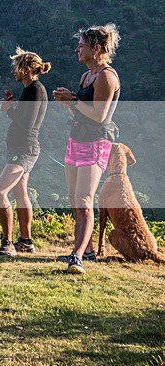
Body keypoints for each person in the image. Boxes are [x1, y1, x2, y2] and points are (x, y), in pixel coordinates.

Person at [53, 24, 121, 274]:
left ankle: (77, 256)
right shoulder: (86, 76)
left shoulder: (106, 76)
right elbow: (81, 109)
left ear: (97, 48)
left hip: (96, 143)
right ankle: (89, 251)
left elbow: (100, 116)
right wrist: (69, 101)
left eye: (81, 45)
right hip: (76, 139)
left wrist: (73, 101)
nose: (76, 50)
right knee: (74, 199)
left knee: (83, 200)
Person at [0, 48, 50, 257]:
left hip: (24, 150)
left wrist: (9, 110)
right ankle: (26, 242)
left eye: (15, 67)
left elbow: (26, 123)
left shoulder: (36, 89)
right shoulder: (32, 89)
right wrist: (14, 108)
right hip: (21, 148)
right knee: (20, 193)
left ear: (25, 69)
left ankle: (7, 243)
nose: (13, 71)